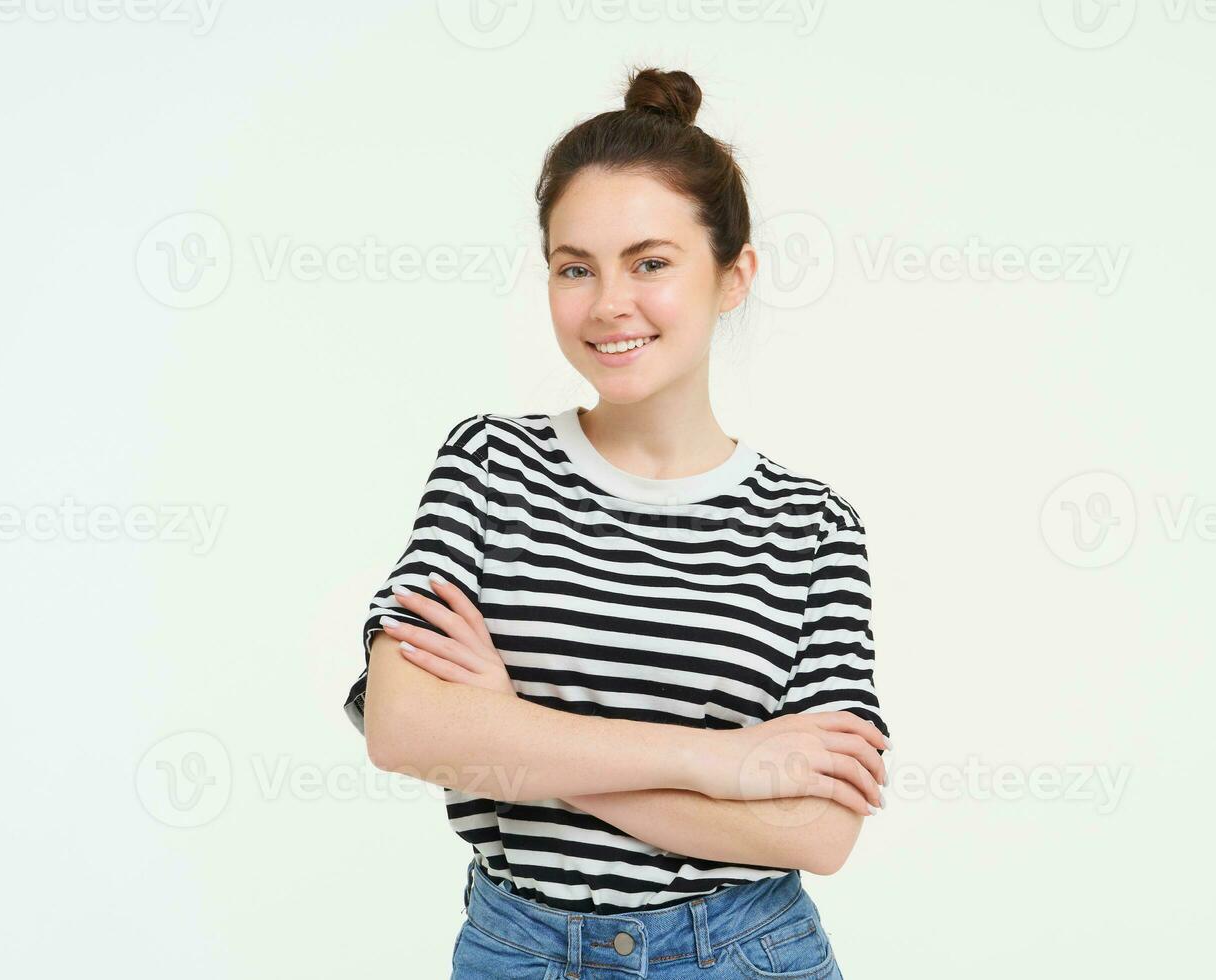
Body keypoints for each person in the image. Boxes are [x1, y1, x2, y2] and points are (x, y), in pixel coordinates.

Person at [342, 67, 888, 979]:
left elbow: (820, 829)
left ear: (733, 274)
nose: (608, 304)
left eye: (651, 262)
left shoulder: (812, 527)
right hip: (517, 950)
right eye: (574, 267)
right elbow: (403, 725)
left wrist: (511, 730)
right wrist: (718, 762)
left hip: (742, 952)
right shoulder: (488, 464)